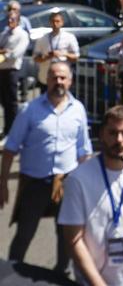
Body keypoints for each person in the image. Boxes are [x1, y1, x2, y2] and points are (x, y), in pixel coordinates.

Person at [0, 61, 92, 272]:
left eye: (62, 77)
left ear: (70, 81)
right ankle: (10, 274)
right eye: (53, 77)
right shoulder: (29, 110)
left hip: (66, 183)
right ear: (46, 80)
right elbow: (10, 148)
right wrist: (3, 182)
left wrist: (86, 187)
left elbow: (84, 151)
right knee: (24, 233)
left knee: (66, 235)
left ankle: (61, 275)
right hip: (34, 183)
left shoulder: (78, 109)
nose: (58, 81)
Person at [58, 105, 123, 286]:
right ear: (102, 134)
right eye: (113, 133)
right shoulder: (78, 178)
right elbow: (73, 238)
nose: (119, 140)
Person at [0, 5, 31, 136]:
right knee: (4, 101)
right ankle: (7, 128)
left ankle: (13, 130)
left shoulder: (22, 34)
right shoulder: (4, 33)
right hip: (1, 69)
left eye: (13, 20)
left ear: (18, 21)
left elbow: (15, 53)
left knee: (12, 102)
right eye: (9, 19)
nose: (10, 22)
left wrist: (6, 53)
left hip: (12, 70)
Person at [31, 8, 80, 89]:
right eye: (53, 21)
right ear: (50, 23)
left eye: (57, 21)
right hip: (46, 77)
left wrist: (63, 54)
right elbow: (35, 58)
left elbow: (76, 57)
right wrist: (46, 57)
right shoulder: (43, 39)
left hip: (62, 77)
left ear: (62, 23)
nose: (55, 24)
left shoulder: (69, 37)